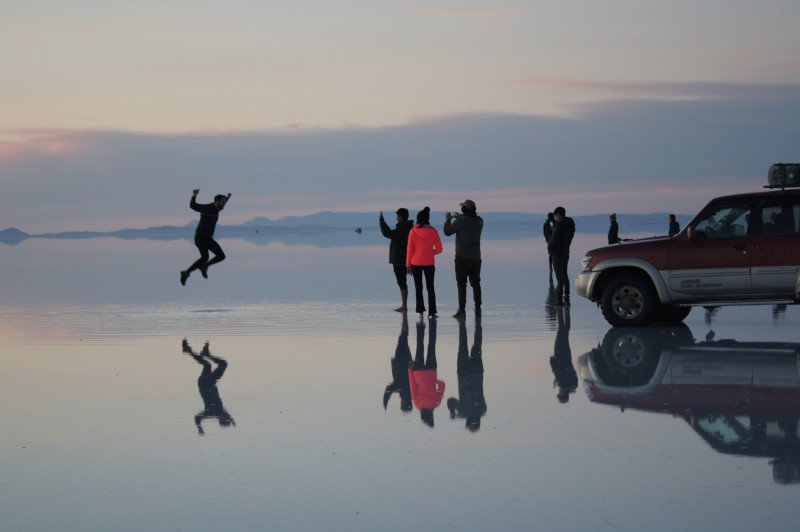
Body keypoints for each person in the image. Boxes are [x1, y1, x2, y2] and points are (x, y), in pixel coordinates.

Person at [182, 339, 235, 435]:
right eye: (227, 417)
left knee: (212, 365)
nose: (227, 416)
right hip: (209, 383)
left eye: (226, 418)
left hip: (205, 384)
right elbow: (227, 414)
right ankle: (197, 352)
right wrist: (232, 420)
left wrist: (199, 428)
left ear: (221, 419)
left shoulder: (212, 413)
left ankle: (191, 351)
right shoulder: (220, 411)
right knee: (215, 365)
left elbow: (197, 418)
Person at [180, 189, 231, 286]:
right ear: (216, 201)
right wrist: (194, 195)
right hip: (200, 237)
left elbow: (223, 202)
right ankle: (188, 272)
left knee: (221, 256)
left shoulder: (218, 208)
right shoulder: (206, 208)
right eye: (222, 202)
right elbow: (192, 206)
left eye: (225, 202)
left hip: (208, 238)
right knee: (205, 257)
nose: (224, 204)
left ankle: (203, 267)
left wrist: (227, 198)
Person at [444, 199, 484, 318]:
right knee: (476, 284)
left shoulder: (461, 222)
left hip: (462, 258)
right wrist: (461, 217)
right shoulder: (480, 221)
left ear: (464, 209)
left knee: (461, 285)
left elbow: (447, 232)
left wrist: (448, 220)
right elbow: (469, 220)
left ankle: (462, 310)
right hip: (476, 258)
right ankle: (478, 308)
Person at [447, 317, 486, 432]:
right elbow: (450, 401)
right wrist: (452, 411)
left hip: (477, 373)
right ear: (468, 421)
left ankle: (478, 322)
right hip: (463, 374)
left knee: (477, 346)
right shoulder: (464, 412)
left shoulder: (483, 410)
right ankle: (462, 323)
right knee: (462, 345)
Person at [406, 207, 444, 319]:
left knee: (419, 288)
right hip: (429, 263)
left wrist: (408, 265)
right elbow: (439, 249)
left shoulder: (413, 231)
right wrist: (429, 252)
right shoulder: (434, 231)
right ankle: (432, 312)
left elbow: (410, 250)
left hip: (415, 263)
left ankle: (421, 312)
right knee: (430, 287)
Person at [408, 318, 444, 427]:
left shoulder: (436, 403)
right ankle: (420, 325)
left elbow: (442, 385)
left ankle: (433, 324)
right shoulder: (418, 405)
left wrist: (433, 381)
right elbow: (412, 386)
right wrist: (410, 370)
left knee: (431, 345)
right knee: (420, 346)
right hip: (418, 373)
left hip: (431, 372)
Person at [379, 208, 414, 312]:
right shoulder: (411, 229)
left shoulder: (400, 230)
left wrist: (382, 221)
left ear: (401, 217)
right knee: (411, 283)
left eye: (398, 216)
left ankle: (404, 306)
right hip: (411, 260)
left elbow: (387, 233)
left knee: (402, 282)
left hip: (399, 261)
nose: (397, 218)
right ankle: (409, 306)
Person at [383, 313, 413, 413]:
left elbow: (389, 390)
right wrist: (385, 403)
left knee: (403, 338)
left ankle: (405, 319)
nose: (401, 402)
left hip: (404, 361)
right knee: (403, 337)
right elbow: (388, 391)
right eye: (402, 404)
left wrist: (385, 403)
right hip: (401, 361)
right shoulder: (403, 389)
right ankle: (405, 317)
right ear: (405, 402)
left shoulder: (408, 390)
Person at [548, 206, 575, 306]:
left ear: (559, 214)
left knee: (559, 278)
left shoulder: (558, 226)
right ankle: (566, 298)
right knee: (565, 276)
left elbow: (554, 241)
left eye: (555, 215)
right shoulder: (570, 225)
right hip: (565, 252)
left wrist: (549, 247)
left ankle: (559, 299)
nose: (555, 218)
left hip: (557, 254)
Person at [549, 307, 577, 403]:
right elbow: (557, 370)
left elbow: (573, 373)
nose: (559, 391)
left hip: (567, 357)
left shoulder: (573, 385)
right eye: (560, 393)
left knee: (565, 332)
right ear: (563, 394)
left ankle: (566, 311)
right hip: (560, 356)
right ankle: (561, 311)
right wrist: (552, 362)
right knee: (561, 331)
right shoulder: (562, 383)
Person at [543, 212, 555, 281]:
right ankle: (551, 266)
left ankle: (550, 266)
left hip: (549, 240)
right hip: (552, 240)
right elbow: (552, 230)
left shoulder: (546, 223)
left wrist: (547, 239)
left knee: (550, 253)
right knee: (552, 254)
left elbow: (545, 233)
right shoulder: (550, 222)